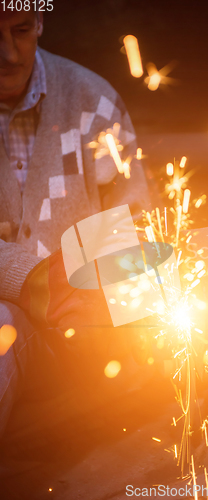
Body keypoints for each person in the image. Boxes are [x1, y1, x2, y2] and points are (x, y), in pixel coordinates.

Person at [0, 4, 151, 462]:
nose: (8, 52)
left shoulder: (92, 102)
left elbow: (137, 226)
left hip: (83, 337)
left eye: (22, 30)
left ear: (41, 23)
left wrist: (112, 299)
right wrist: (28, 278)